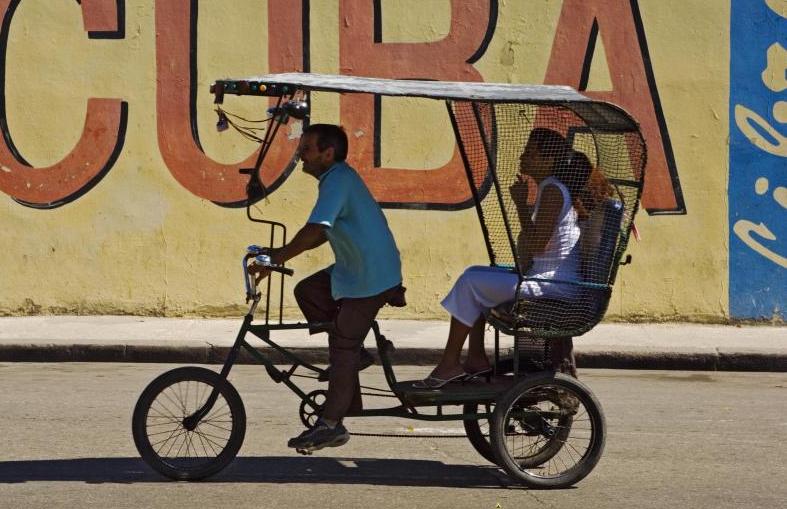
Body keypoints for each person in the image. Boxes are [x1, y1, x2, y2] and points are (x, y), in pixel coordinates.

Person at [250, 123, 405, 452]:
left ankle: (331, 425)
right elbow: (322, 232)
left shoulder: (338, 179)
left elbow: (314, 229)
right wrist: (278, 254)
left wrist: (277, 257)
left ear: (327, 153)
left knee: (342, 346)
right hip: (355, 269)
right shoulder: (334, 180)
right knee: (308, 292)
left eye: (305, 149)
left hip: (371, 276)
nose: (300, 156)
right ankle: (353, 358)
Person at [414, 128, 590, 388]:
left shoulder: (553, 190)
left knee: (470, 281)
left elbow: (538, 246)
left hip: (554, 285)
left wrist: (520, 205)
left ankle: (450, 363)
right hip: (544, 280)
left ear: (548, 160)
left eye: (530, 153)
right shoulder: (548, 188)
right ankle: (474, 359)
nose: (522, 157)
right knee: (474, 275)